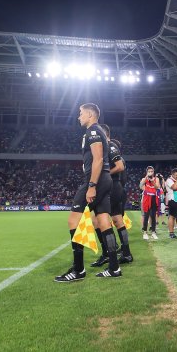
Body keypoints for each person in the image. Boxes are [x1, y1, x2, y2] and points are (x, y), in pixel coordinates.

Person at [55, 103, 121, 282]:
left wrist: (91, 185)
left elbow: (98, 159)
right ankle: (114, 267)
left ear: (90, 114)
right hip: (105, 179)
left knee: (73, 221)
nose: (78, 117)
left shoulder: (92, 131)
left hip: (96, 181)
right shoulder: (96, 131)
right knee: (104, 221)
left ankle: (78, 270)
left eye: (81, 113)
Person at [89, 124, 133, 266]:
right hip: (116, 186)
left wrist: (103, 174)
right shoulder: (108, 146)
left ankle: (107, 253)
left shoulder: (109, 145)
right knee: (116, 219)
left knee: (97, 219)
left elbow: (120, 166)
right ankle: (125, 253)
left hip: (112, 186)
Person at [140, 166, 160, 240]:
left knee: (153, 216)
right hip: (146, 198)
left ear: (153, 172)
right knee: (146, 215)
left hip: (154, 198)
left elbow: (157, 187)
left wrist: (152, 181)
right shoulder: (144, 179)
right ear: (147, 172)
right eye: (149, 171)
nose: (150, 173)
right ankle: (145, 232)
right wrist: (146, 178)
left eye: (152, 171)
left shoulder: (156, 179)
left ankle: (153, 232)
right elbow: (140, 186)